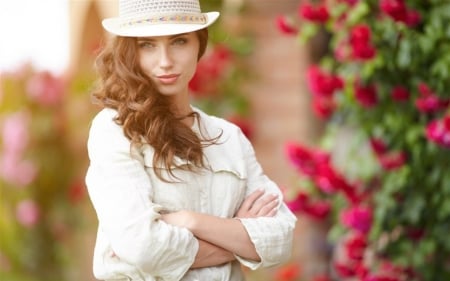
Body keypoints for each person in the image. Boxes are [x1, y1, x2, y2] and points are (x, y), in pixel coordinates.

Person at [85, 0, 297, 280]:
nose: (165, 61)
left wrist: (191, 221)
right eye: (147, 44)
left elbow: (281, 238)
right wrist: (238, 236)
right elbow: (144, 248)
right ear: (130, 52)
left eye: (179, 41)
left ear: (200, 43)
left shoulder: (228, 138)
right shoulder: (115, 131)